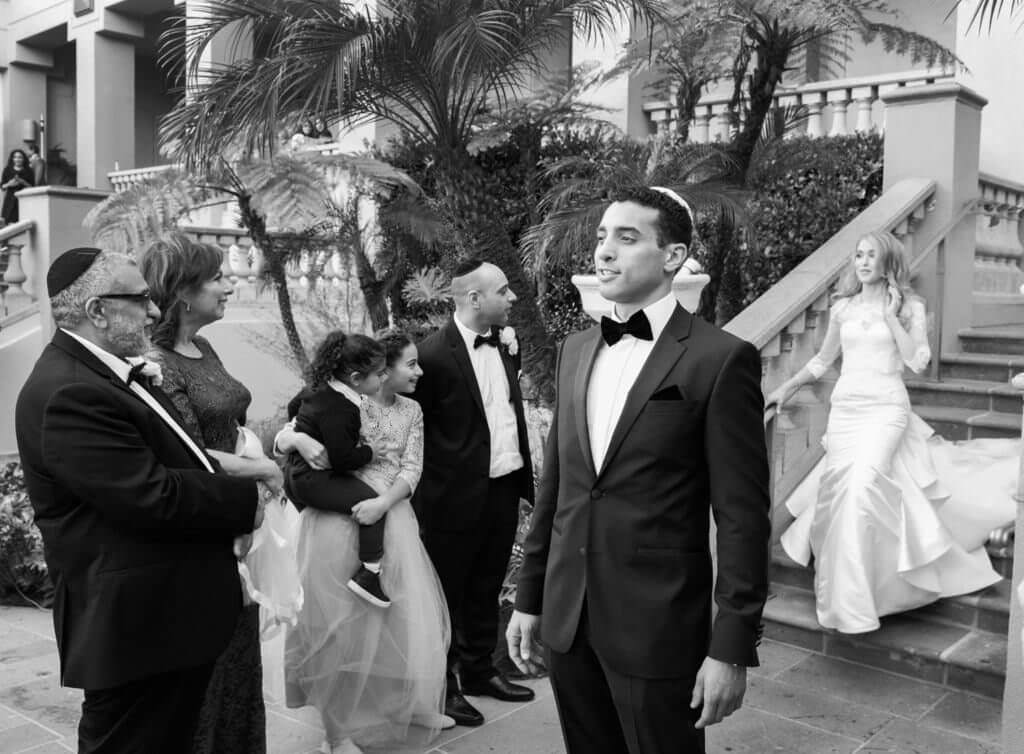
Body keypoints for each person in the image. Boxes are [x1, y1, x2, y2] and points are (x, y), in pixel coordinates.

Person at [507, 186, 772, 754]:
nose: (604, 251)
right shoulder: (574, 350)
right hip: (568, 622)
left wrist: (730, 647)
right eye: (603, 237)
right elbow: (556, 492)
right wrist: (529, 599)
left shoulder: (720, 359)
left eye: (626, 238)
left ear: (672, 256)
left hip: (658, 630)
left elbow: (742, 518)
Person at [14, 247, 260, 753]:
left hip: (161, 621)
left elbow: (179, 461)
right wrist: (244, 497)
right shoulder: (69, 391)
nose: (153, 311)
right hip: (133, 629)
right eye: (141, 298)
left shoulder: (106, 370)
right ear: (97, 311)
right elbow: (152, 494)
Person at [766, 230, 1004, 634]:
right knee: (840, 494)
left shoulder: (910, 306)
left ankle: (858, 601)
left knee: (863, 484)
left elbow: (916, 363)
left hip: (886, 410)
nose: (861, 262)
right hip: (846, 412)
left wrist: (892, 317)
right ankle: (846, 598)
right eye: (858, 255)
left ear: (887, 261)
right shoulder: (842, 309)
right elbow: (824, 361)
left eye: (870, 255)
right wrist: (785, 388)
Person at [139, 232, 284, 754]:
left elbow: (228, 421)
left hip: (237, 517)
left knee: (242, 661)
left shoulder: (203, 346)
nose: (229, 285)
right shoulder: (158, 365)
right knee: (210, 667)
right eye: (218, 278)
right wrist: (263, 469)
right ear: (183, 293)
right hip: (203, 526)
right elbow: (188, 452)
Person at [284, 331, 452, 754]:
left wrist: (383, 503)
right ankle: (335, 733)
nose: (418, 370)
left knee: (406, 619)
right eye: (409, 364)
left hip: (390, 518)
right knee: (335, 627)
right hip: (337, 524)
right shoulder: (338, 399)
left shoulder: (411, 410)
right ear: (378, 373)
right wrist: (292, 439)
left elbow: (412, 465)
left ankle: (410, 703)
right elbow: (290, 429)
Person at [411, 258, 536, 727]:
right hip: (449, 499)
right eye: (504, 290)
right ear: (474, 299)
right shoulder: (430, 356)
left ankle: (481, 670)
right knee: (444, 594)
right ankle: (442, 688)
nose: (513, 298)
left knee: (486, 585)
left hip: (502, 486)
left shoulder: (506, 343)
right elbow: (407, 426)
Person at [284, 331, 393, 606]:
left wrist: (303, 430)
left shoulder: (320, 387)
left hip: (296, 474)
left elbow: (293, 406)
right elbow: (343, 459)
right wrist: (371, 451)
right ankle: (369, 574)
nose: (384, 378)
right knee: (373, 504)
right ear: (356, 379)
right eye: (379, 374)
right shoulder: (342, 408)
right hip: (313, 480)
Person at [1, 148, 34, 225]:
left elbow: (33, 187)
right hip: (10, 200)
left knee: (22, 223)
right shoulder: (7, 170)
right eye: (15, 157)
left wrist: (22, 182)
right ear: (12, 159)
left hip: (24, 200)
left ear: (23, 159)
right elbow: (2, 186)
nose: (17, 159)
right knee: (8, 223)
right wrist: (9, 184)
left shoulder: (29, 171)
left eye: (20, 157)